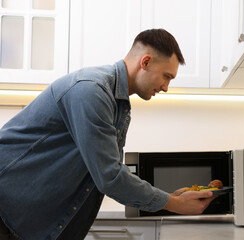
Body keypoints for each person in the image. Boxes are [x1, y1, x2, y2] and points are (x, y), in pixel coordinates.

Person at [0, 29, 215, 240]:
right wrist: (174, 204)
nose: (166, 87)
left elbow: (106, 173)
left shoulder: (115, 100)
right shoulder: (91, 90)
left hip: (24, 219)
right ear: (146, 62)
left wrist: (168, 198)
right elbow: (110, 177)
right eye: (166, 76)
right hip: (7, 209)